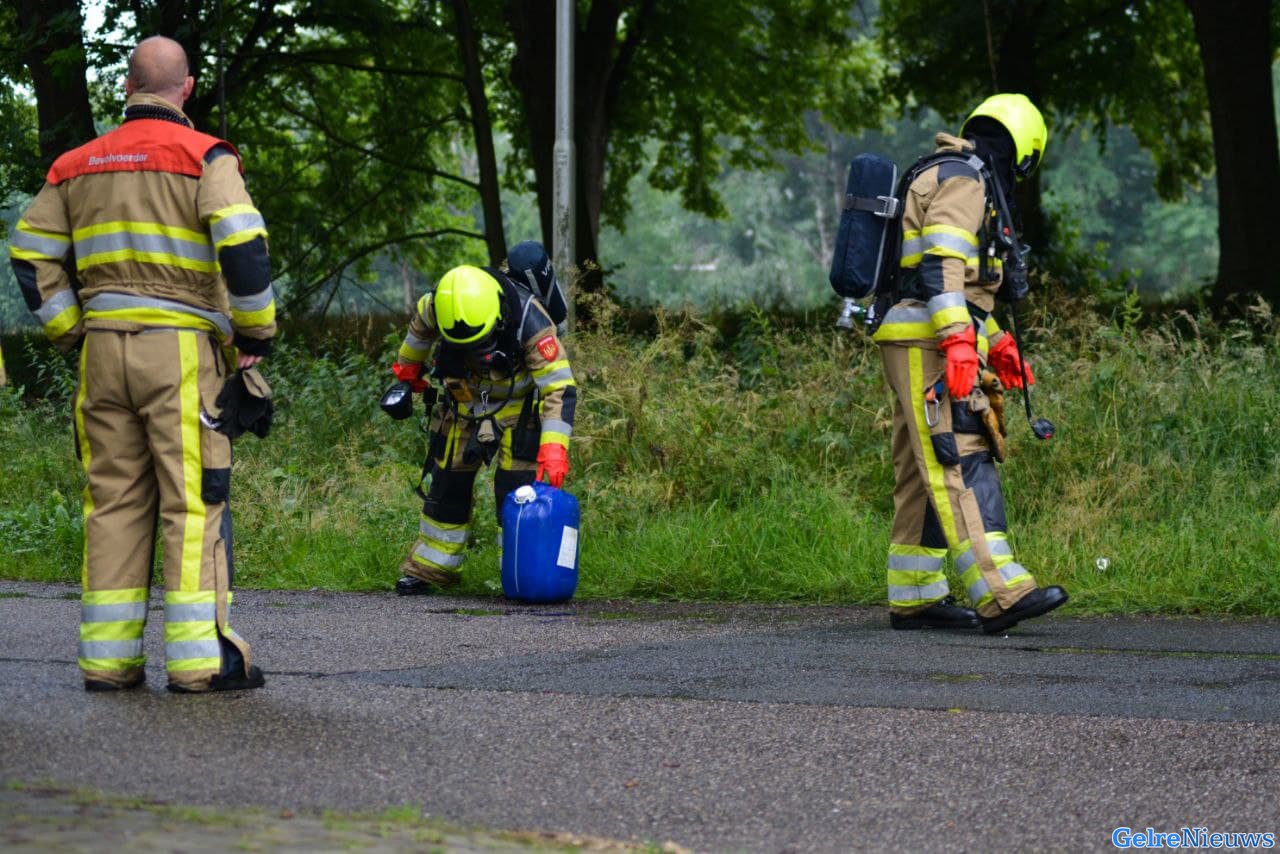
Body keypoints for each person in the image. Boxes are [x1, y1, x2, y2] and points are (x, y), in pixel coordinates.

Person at [8, 36, 275, 691]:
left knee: (115, 504)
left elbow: (28, 255)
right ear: (185, 89)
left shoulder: (76, 165)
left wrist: (73, 333)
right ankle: (197, 664)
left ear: (126, 89)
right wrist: (255, 335)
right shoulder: (205, 156)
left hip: (102, 357)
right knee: (192, 502)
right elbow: (242, 247)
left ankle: (108, 661)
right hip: (179, 355)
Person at [871, 93, 1067, 633]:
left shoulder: (953, 170)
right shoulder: (966, 178)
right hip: (930, 343)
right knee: (960, 454)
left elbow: (968, 286)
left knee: (920, 466)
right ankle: (1000, 591)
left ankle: (915, 594)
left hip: (917, 338)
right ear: (1022, 152)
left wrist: (996, 340)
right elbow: (940, 269)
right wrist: (960, 342)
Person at [390, 256, 576, 594]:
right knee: (447, 484)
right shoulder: (435, 305)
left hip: (515, 407)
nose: (477, 352)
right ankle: (430, 568)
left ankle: (519, 572)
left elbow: (559, 387)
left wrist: (553, 447)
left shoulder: (530, 319)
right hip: (460, 403)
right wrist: (407, 372)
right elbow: (417, 336)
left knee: (516, 491)